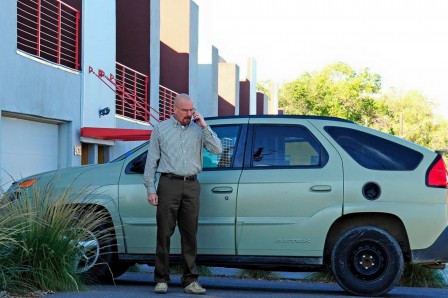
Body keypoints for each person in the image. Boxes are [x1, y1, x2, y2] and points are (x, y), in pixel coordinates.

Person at [143, 93, 222, 294]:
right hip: (168, 184)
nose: (190, 114)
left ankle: (190, 281)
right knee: (164, 233)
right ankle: (161, 279)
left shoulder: (199, 130)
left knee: (190, 235)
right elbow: (151, 161)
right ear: (174, 110)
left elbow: (218, 149)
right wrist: (151, 189)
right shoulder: (160, 129)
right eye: (185, 110)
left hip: (192, 185)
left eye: (192, 110)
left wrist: (204, 126)